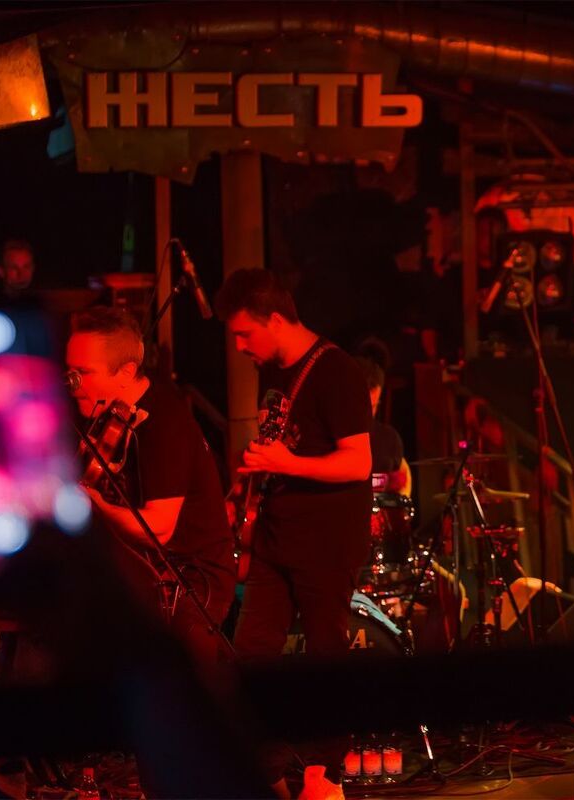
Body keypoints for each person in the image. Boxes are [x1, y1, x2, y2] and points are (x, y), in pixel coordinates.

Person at [215, 268, 373, 799]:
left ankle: (324, 780)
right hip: (275, 539)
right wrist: (254, 474)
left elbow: (358, 462)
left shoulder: (337, 371)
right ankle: (266, 776)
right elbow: (285, 444)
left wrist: (287, 462)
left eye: (245, 334)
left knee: (326, 658)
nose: (239, 346)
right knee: (251, 656)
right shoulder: (273, 372)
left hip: (326, 543)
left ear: (276, 320)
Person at [66, 307, 236, 666]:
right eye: (70, 372)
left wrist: (94, 504)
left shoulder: (164, 424)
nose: (72, 383)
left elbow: (157, 528)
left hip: (189, 580)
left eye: (83, 373)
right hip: (141, 575)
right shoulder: (107, 416)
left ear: (126, 372)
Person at [355, 355, 411, 496]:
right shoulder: (328, 436)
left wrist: (394, 483)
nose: (368, 414)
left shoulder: (390, 439)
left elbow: (400, 487)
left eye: (374, 406)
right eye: (364, 406)